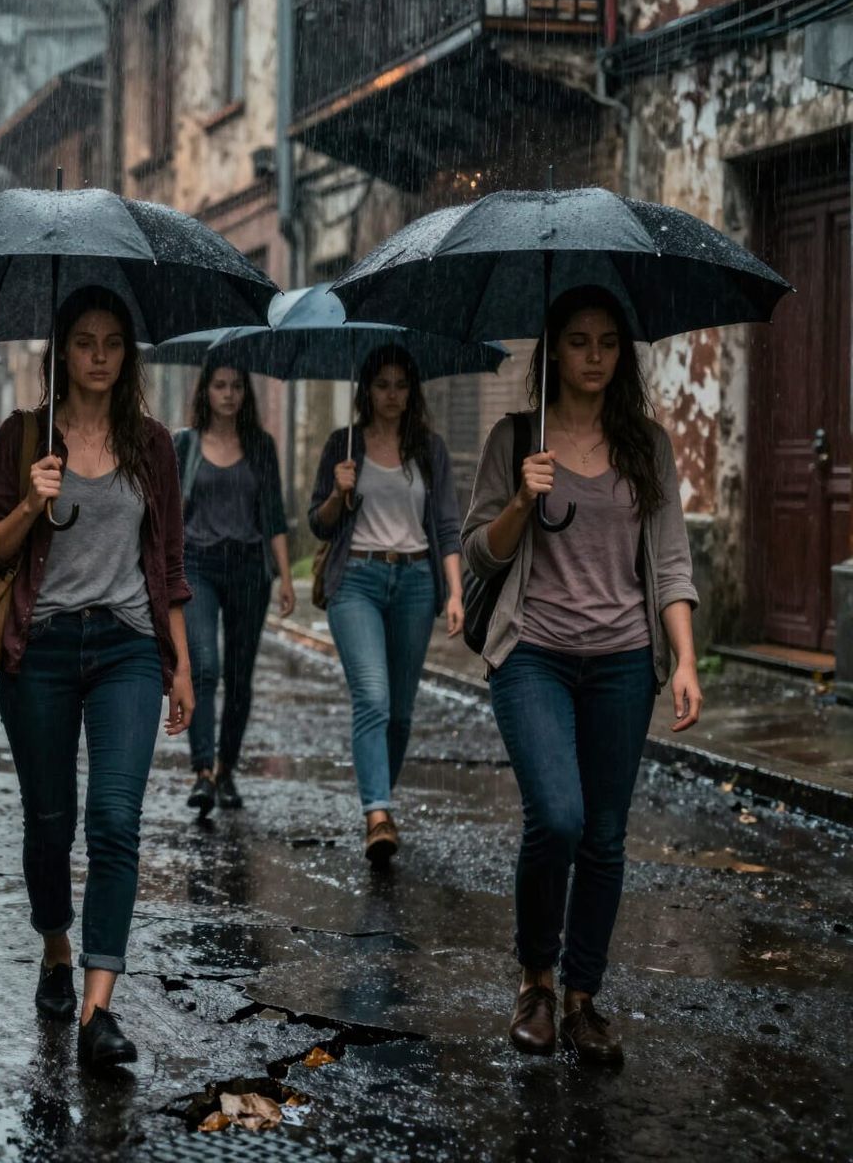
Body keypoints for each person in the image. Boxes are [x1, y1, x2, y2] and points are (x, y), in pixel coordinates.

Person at [463, 286, 701, 1066]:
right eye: (578, 342)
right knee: (557, 817)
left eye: (607, 343)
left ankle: (582, 999)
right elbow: (481, 554)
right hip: (533, 651)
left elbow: (668, 561)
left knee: (603, 837)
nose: (594, 357)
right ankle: (535, 977)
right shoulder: (513, 439)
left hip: (624, 660)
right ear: (553, 351)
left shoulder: (647, 446)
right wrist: (522, 502)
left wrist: (687, 658)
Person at [0, 285, 193, 1071]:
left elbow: (166, 565)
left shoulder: (152, 445)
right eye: (84, 342)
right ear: (61, 352)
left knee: (116, 819)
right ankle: (56, 944)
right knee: (49, 821)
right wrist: (32, 501)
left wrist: (180, 663)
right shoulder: (23, 437)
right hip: (43, 649)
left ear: (127, 355)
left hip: (128, 646)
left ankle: (100, 1005)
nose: (99, 355)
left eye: (112, 343)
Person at [309, 346, 465, 865]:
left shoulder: (429, 449)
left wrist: (456, 591)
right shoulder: (343, 443)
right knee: (373, 697)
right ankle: (377, 811)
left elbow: (445, 526)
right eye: (382, 385)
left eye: (401, 385)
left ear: (411, 390)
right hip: (357, 579)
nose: (392, 395)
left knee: (400, 712)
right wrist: (338, 492)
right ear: (366, 390)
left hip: (417, 582)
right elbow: (319, 522)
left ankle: (382, 804)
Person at [174, 364, 295, 813]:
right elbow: (169, 516)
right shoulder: (184, 445)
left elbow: (275, 517)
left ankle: (227, 769)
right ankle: (202, 770)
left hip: (249, 568)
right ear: (205, 391)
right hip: (198, 565)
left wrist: (284, 577)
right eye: (219, 385)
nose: (228, 394)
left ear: (246, 392)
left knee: (239, 676)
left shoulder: (261, 446)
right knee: (204, 665)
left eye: (236, 386)